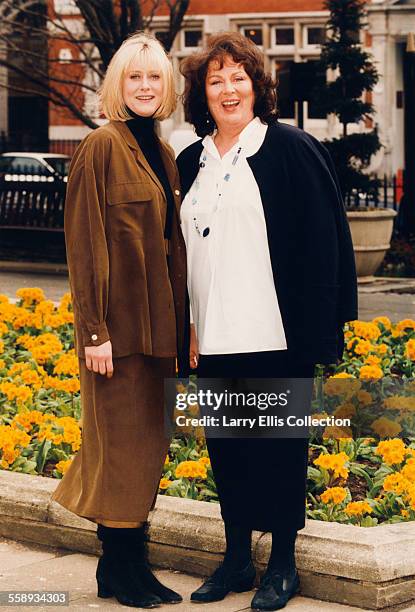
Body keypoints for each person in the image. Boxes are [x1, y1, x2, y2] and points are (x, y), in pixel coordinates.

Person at [177, 32, 357, 611]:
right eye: (215, 79)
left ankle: (282, 564)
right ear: (202, 94)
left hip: (277, 335)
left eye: (238, 77)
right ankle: (235, 560)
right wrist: (189, 327)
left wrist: (323, 327)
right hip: (214, 337)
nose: (228, 89)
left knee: (279, 449)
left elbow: (326, 242)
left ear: (257, 86)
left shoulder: (291, 149)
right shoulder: (190, 160)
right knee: (228, 451)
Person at [52, 33, 187, 609]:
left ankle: (130, 567)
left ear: (167, 87)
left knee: (146, 449)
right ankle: (121, 567)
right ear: (117, 85)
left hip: (161, 333)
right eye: (135, 78)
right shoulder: (101, 146)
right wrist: (95, 334)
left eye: (154, 77)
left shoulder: (161, 152)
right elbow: (84, 247)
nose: (145, 87)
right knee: (121, 451)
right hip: (119, 334)